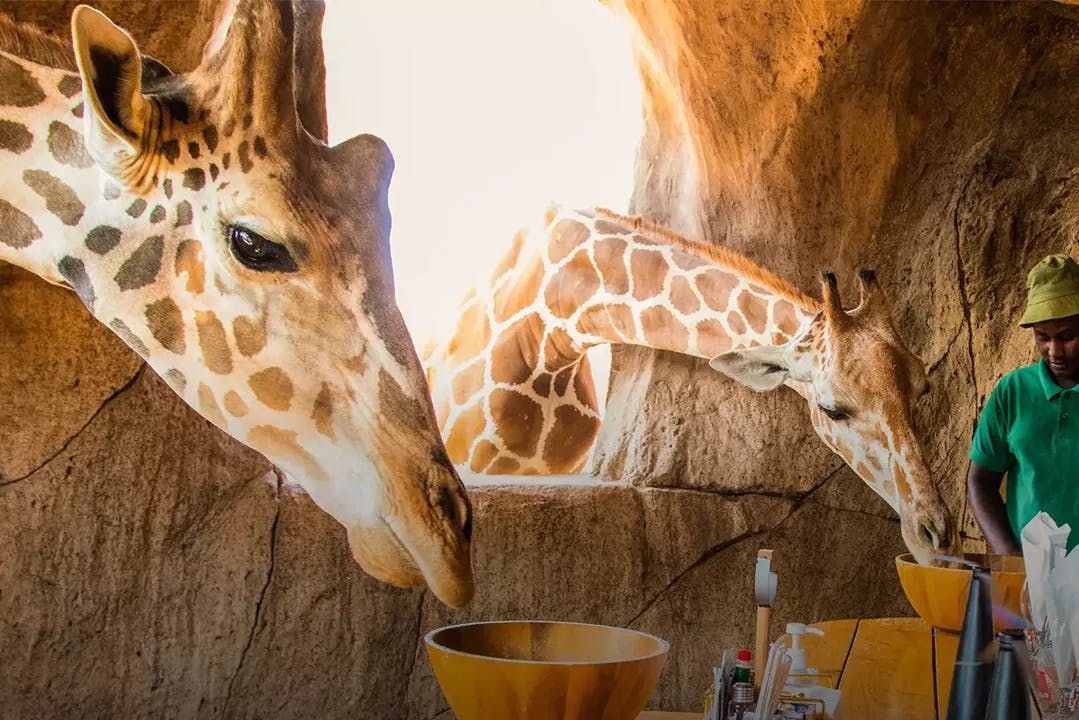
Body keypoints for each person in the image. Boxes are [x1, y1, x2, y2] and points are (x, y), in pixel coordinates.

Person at [968, 253, 1079, 555]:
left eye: (1067, 336)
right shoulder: (1012, 392)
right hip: (1029, 573)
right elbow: (980, 482)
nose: (1054, 351)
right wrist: (1010, 558)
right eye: (1043, 337)